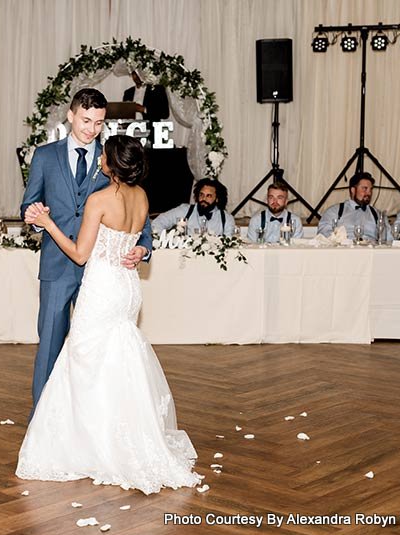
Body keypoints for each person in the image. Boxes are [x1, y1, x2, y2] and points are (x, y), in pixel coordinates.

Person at [16, 136, 201, 495]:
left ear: (112, 164)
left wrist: (48, 223)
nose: (99, 155)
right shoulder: (142, 196)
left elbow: (81, 254)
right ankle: (123, 433)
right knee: (117, 360)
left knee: (83, 360)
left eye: (105, 153)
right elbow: (136, 234)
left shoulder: (100, 200)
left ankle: (91, 441)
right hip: (127, 289)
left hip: (101, 288)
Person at [20, 89, 153, 417]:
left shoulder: (111, 160)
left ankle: (90, 418)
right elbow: (29, 201)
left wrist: (143, 248)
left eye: (99, 122)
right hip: (57, 265)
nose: (92, 129)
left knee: (98, 352)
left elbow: (143, 224)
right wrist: (32, 216)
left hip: (101, 275)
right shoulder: (45, 156)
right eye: (86, 120)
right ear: (70, 115)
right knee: (50, 345)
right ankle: (44, 419)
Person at [317, 171, 391, 242]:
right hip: (344, 251)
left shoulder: (377, 214)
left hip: (370, 251)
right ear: (353, 190)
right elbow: (323, 235)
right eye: (364, 188)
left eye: (370, 189)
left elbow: (389, 238)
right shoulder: (334, 211)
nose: (369, 193)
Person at [151, 178, 236, 236]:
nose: (204, 199)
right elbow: (157, 223)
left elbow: (228, 245)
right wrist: (167, 239)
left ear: (217, 199)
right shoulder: (184, 210)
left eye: (209, 196)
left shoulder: (226, 219)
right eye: (201, 195)